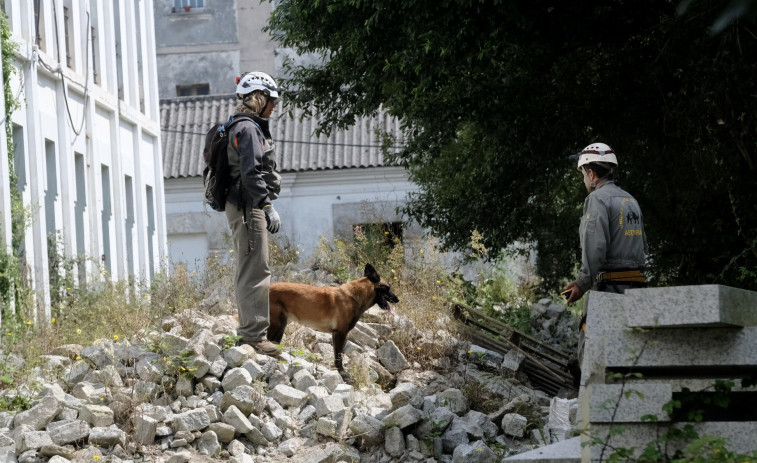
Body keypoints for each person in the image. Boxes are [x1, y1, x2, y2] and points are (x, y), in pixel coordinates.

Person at [563, 143, 648, 382]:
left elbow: (595, 246)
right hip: (637, 290)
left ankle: (594, 413)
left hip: (608, 289)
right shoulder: (630, 200)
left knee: (594, 353)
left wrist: (581, 283)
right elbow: (644, 246)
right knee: (629, 352)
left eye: (582, 174)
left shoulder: (597, 199)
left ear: (591, 173)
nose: (583, 180)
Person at [225, 71, 283, 356]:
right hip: (249, 208)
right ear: (259, 98)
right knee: (255, 270)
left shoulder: (241, 125)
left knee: (252, 268)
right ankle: (253, 337)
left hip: (246, 205)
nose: (274, 106)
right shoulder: (247, 129)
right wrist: (267, 206)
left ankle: (252, 332)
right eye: (271, 100)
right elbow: (250, 173)